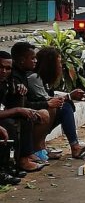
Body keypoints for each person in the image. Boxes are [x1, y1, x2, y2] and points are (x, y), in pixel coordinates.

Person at [25, 47, 85, 160]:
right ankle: (41, 147)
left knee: (66, 105)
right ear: (50, 65)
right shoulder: (34, 78)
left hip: (37, 114)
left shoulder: (43, 80)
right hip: (31, 117)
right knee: (61, 107)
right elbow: (48, 101)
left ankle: (72, 146)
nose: (61, 66)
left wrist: (68, 97)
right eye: (59, 62)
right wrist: (69, 96)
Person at [5, 43, 52, 171]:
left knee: (31, 114)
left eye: (7, 68)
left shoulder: (19, 76)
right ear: (21, 60)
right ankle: (21, 159)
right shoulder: (14, 77)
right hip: (8, 114)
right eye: (32, 58)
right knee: (24, 118)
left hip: (12, 111)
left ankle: (34, 151)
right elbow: (18, 105)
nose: (5, 71)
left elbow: (26, 100)